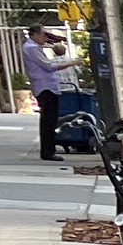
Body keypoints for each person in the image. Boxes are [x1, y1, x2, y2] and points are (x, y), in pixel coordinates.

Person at [22, 24, 77, 159]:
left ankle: (49, 149)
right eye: (43, 34)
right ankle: (48, 151)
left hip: (47, 86)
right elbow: (48, 66)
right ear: (34, 35)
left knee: (50, 119)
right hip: (45, 86)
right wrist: (70, 63)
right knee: (48, 120)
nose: (45, 38)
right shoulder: (32, 48)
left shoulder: (34, 48)